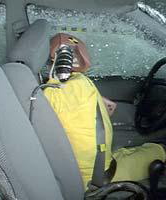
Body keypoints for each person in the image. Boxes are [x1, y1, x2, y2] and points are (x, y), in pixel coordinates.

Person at [43, 33, 166, 189]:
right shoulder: (79, 86)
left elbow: (69, 106)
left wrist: (96, 102)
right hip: (96, 177)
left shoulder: (52, 89)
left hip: (81, 165)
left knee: (127, 154)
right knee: (159, 153)